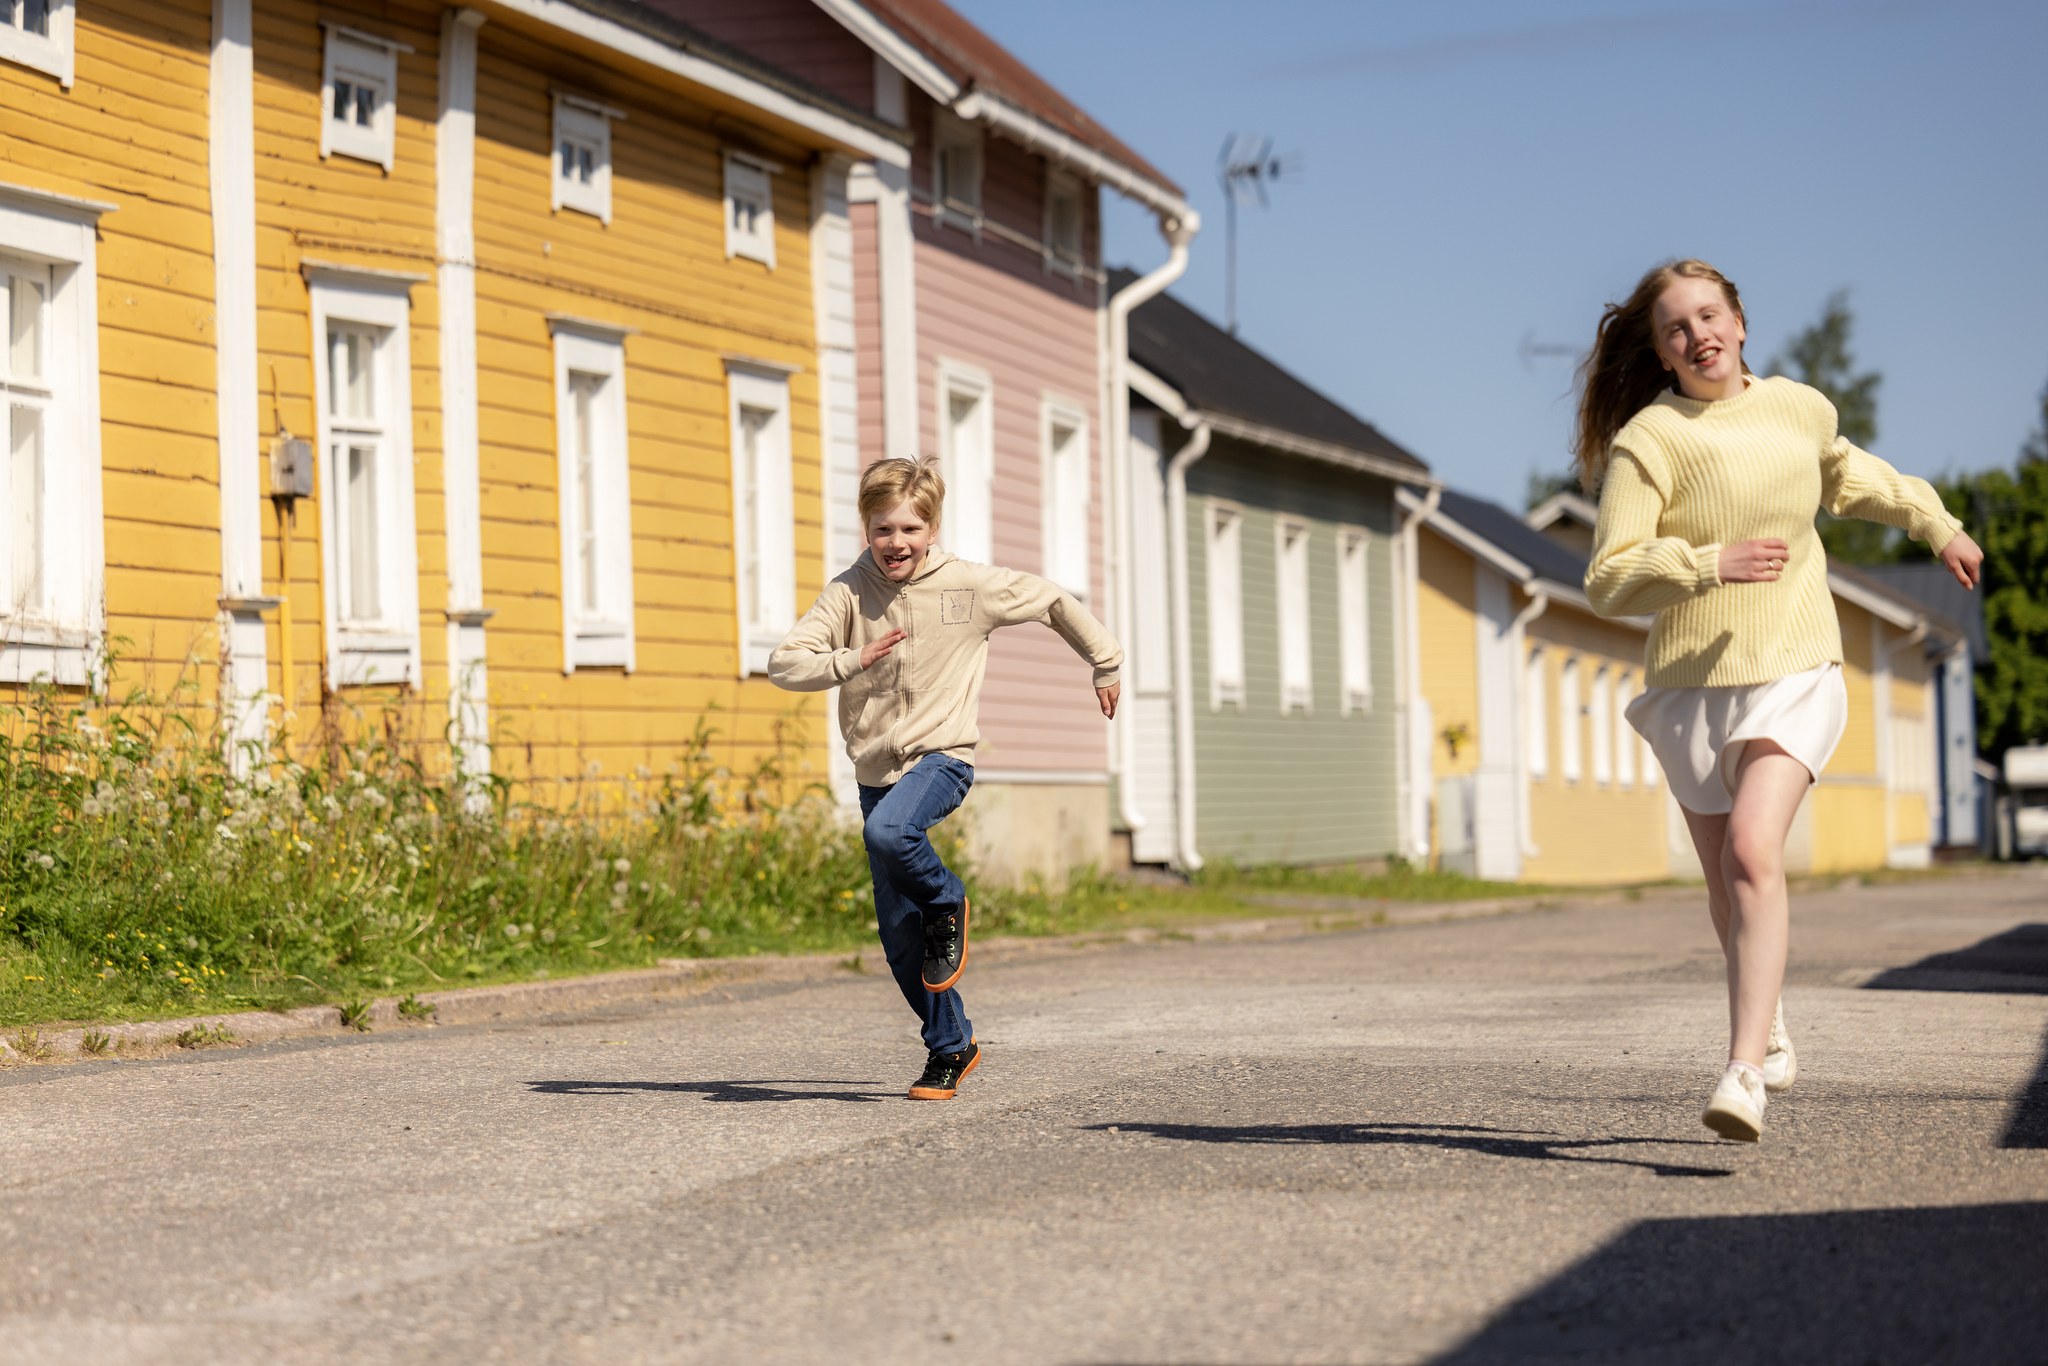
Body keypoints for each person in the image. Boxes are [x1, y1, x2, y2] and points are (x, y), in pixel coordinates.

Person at [1578, 259, 1982, 1142]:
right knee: (1728, 887)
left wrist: (1934, 520)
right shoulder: (1651, 441)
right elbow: (1608, 578)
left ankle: (1743, 1072)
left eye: (1711, 315)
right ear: (1659, 350)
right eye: (1677, 328)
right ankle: (1770, 1021)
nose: (1699, 336)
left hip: (1796, 665)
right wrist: (1703, 563)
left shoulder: (1799, 407)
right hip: (1692, 687)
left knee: (1756, 854)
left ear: (1742, 322)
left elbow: (1851, 475)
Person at [769, 457, 1123, 1100]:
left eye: (909, 528)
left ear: (931, 528)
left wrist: (1104, 661)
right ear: (867, 528)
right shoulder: (849, 591)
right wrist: (850, 658)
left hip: (942, 759)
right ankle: (951, 1048)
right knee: (902, 945)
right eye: (882, 530)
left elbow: (1050, 600)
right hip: (876, 770)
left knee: (890, 831)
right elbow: (785, 664)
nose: (896, 543)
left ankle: (945, 899)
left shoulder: (970, 585)